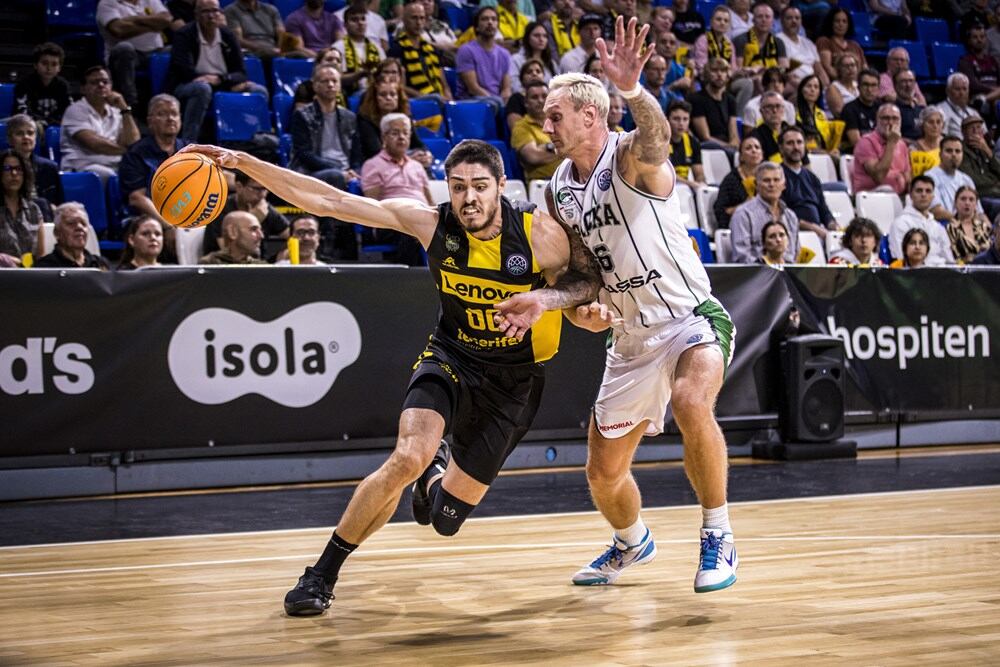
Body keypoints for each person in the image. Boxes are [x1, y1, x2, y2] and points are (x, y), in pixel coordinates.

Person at [180, 137, 601, 616]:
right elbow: (329, 200)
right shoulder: (431, 223)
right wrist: (243, 163)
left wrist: (545, 301)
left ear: (502, 187)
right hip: (452, 355)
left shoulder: (540, 235)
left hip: (515, 381)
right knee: (406, 457)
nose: (469, 198)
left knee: (443, 520)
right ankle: (321, 574)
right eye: (459, 186)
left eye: (480, 187)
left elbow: (585, 282)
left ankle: (435, 474)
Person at [502, 17, 740, 594]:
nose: (547, 123)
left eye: (555, 115)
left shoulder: (632, 155)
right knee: (604, 475)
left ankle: (719, 532)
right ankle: (633, 542)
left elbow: (657, 139)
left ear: (590, 115)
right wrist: (547, 300)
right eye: (544, 116)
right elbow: (585, 278)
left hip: (689, 319)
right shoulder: (559, 187)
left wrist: (632, 90)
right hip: (630, 339)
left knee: (690, 401)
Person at [168, 0, 270, 142]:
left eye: (215, 11)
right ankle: (188, 142)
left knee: (259, 91)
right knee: (202, 89)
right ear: (196, 15)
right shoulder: (184, 34)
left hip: (221, 83)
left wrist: (222, 80)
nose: (211, 15)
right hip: (187, 85)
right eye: (206, 11)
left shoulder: (228, 35)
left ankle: (255, 142)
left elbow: (241, 72)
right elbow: (184, 71)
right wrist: (224, 83)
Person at [360, 113, 433, 265]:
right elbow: (372, 206)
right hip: (389, 221)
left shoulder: (417, 166)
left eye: (405, 133)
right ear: (383, 137)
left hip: (420, 218)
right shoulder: (372, 165)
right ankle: (411, 280)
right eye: (395, 133)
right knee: (412, 230)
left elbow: (430, 201)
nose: (401, 137)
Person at [59, 65, 141, 184]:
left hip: (115, 165)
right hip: (83, 169)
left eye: (105, 82)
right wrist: (126, 151)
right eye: (94, 82)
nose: (101, 85)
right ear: (83, 89)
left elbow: (133, 142)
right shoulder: (75, 110)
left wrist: (124, 109)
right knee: (106, 175)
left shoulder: (116, 112)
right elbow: (95, 145)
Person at [118, 94, 188, 228]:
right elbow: (137, 198)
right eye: (162, 114)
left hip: (185, 215)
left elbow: (216, 175)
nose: (170, 119)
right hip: (148, 219)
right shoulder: (136, 153)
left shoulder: (189, 149)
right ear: (150, 121)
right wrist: (168, 225)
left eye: (174, 114)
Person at [289, 65, 364, 191]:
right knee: (335, 176)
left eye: (334, 81)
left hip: (345, 171)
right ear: (315, 86)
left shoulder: (349, 117)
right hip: (313, 172)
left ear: (339, 86)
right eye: (325, 81)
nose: (330, 85)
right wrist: (338, 169)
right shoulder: (303, 115)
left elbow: (356, 154)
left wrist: (355, 171)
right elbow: (304, 154)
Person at [97, 0, 172, 111]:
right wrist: (154, 25)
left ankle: (170, 102)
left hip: (156, 52)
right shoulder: (107, 3)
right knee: (124, 48)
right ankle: (129, 104)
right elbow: (119, 30)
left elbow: (166, 20)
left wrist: (135, 19)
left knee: (176, 50)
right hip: (128, 55)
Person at [730, 161, 800, 263]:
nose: (771, 184)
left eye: (776, 180)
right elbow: (742, 258)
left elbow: (796, 254)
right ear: (756, 185)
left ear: (784, 185)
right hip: (757, 275)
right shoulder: (743, 214)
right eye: (766, 180)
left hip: (788, 275)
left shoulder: (791, 216)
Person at [202, 172, 289, 254]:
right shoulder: (220, 209)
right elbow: (229, 251)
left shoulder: (264, 209)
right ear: (239, 186)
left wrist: (281, 255)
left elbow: (291, 233)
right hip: (222, 264)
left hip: (257, 264)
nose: (263, 195)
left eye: (265, 189)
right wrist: (252, 219)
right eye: (257, 189)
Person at [778, 126, 837, 239]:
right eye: (790, 143)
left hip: (818, 233)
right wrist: (813, 228)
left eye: (799, 142)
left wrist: (832, 225)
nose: (796, 147)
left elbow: (824, 210)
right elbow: (782, 215)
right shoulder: (777, 177)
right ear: (781, 148)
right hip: (792, 234)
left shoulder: (812, 178)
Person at [389, 1, 453, 101]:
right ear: (404, 21)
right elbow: (398, 85)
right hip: (415, 101)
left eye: (421, 18)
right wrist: (423, 97)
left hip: (438, 98)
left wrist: (448, 95)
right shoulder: (396, 49)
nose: (418, 23)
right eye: (414, 18)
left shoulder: (431, 49)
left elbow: (444, 84)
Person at [356, 79, 431, 164]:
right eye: (382, 95)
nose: (388, 98)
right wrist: (408, 159)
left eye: (393, 94)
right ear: (374, 98)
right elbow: (375, 151)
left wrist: (425, 153)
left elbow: (417, 143)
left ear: (398, 98)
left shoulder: (404, 117)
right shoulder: (365, 120)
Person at [455, 6, 512, 110]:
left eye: (494, 19)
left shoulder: (504, 54)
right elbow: (473, 88)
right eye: (485, 19)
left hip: (496, 101)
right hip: (472, 102)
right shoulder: (466, 50)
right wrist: (497, 101)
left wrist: (505, 99)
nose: (490, 22)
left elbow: (506, 89)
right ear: (476, 27)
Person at [889, 176, 954, 265]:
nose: (924, 195)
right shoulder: (900, 223)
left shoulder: (938, 227)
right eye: (919, 191)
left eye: (928, 191)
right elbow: (900, 258)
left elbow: (949, 260)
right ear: (911, 195)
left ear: (933, 196)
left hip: (942, 273)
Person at [852, 103, 910, 195]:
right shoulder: (866, 142)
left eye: (895, 119)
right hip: (872, 196)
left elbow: (907, 178)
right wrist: (891, 143)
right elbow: (879, 176)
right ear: (877, 120)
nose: (890, 123)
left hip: (898, 197)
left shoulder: (901, 144)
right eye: (885, 118)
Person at [5, 115, 61, 208]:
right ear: (10, 139)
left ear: (36, 138)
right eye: (19, 133)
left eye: (30, 133)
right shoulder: (2, 165)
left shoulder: (50, 167)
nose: (26, 137)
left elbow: (59, 203)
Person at [34, 202, 110, 270]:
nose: (80, 227)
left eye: (83, 224)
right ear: (57, 233)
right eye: (71, 223)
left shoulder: (101, 264)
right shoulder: (44, 268)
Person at [732, 3, 788, 95]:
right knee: (759, 80)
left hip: (773, 78)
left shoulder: (778, 42)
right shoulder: (741, 40)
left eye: (767, 17)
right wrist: (754, 70)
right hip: (750, 78)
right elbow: (739, 69)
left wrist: (770, 72)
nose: (764, 20)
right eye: (760, 17)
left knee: (796, 81)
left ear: (772, 21)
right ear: (753, 20)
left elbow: (784, 68)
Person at [0, 150, 43, 268]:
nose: (14, 173)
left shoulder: (34, 210)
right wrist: (6, 260)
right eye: (7, 168)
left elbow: (41, 256)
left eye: (18, 169)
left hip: (30, 277)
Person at [13, 42, 71, 130]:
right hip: (28, 126)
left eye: (54, 64)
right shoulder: (24, 83)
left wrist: (48, 122)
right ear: (35, 65)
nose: (49, 68)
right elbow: (20, 110)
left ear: (59, 68)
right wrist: (37, 122)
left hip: (55, 127)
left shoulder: (63, 85)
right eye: (44, 63)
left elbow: (68, 111)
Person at [511, 81, 561, 181]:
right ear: (526, 103)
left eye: (544, 96)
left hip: (570, 179)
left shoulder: (560, 121)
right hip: (542, 183)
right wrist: (564, 149)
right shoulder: (521, 127)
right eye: (534, 97)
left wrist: (547, 148)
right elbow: (533, 157)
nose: (540, 100)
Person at [335, 4, 387, 95]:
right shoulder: (338, 48)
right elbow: (336, 78)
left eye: (363, 19)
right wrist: (359, 75)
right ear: (345, 25)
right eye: (354, 20)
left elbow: (386, 71)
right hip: (350, 93)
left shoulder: (376, 47)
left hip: (377, 91)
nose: (360, 23)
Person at [926, 136, 980, 223]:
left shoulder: (967, 179)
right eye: (949, 151)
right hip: (944, 225)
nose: (954, 155)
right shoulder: (930, 177)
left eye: (957, 151)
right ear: (940, 155)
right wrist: (963, 221)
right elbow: (936, 211)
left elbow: (979, 212)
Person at [714, 135, 762, 230]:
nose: (754, 150)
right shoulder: (731, 180)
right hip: (737, 227)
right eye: (748, 148)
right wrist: (744, 207)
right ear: (741, 156)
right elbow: (720, 212)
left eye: (757, 147)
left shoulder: (767, 178)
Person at [690, 57, 739, 149]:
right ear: (707, 74)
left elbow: (734, 135)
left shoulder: (730, 100)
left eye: (723, 71)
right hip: (707, 147)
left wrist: (734, 145)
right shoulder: (697, 99)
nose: (719, 74)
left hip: (727, 146)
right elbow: (705, 137)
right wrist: (728, 147)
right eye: (714, 70)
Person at [959, 115, 1000, 219]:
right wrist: (994, 183)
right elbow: (973, 180)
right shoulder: (960, 151)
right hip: (982, 196)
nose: (975, 131)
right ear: (963, 132)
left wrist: (988, 152)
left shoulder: (985, 148)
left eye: (978, 127)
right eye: (971, 128)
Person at [775, 5, 826, 89]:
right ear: (782, 21)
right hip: (794, 85)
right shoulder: (777, 40)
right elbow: (784, 71)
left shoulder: (809, 43)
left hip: (814, 85)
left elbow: (820, 71)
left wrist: (826, 87)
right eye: (789, 18)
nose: (794, 21)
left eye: (797, 18)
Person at [224, 0, 292, 59]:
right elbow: (237, 39)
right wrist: (264, 48)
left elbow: (282, 34)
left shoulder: (271, 9)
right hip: (251, 51)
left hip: (273, 49)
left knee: (299, 55)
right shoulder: (231, 11)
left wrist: (280, 49)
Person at [815, 8, 867, 83]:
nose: (841, 24)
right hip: (836, 84)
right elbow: (827, 68)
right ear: (831, 23)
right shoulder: (824, 41)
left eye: (844, 21)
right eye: (837, 21)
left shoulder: (855, 45)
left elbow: (865, 68)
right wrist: (847, 83)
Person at [199, 211, 270, 264]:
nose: (261, 236)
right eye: (253, 229)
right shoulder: (209, 265)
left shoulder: (262, 268)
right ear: (232, 232)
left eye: (261, 230)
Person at [958, 24, 1000, 112]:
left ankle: (984, 99)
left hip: (994, 94)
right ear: (969, 41)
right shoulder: (965, 61)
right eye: (975, 37)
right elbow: (973, 84)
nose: (979, 40)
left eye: (982, 37)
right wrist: (993, 89)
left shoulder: (992, 60)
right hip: (977, 95)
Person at [947, 186, 993, 263]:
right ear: (955, 203)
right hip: (962, 271)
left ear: (976, 204)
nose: (967, 203)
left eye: (971, 199)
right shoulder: (950, 228)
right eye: (963, 199)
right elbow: (952, 258)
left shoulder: (984, 227)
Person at [667, 99, 705, 190]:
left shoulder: (693, 142)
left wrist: (701, 183)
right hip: (665, 187)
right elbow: (667, 174)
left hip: (684, 189)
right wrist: (691, 184)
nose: (681, 123)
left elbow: (699, 174)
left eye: (685, 119)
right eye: (676, 119)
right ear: (667, 120)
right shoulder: (660, 141)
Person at [795, 74, 836, 156]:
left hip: (824, 152)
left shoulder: (822, 114)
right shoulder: (795, 113)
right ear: (801, 90)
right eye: (809, 86)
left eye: (816, 87)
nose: (812, 90)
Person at [840, 68, 880, 152]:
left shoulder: (882, 108)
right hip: (856, 155)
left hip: (879, 153)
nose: (869, 89)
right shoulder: (849, 109)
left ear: (878, 88)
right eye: (865, 85)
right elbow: (857, 143)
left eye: (873, 85)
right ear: (858, 87)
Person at [936, 73, 981, 138]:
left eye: (964, 89)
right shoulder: (939, 111)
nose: (962, 93)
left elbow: (984, 135)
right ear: (948, 91)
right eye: (957, 89)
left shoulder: (973, 113)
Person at [750, 91, 788, 162]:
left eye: (778, 106)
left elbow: (806, 164)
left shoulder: (794, 133)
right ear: (761, 111)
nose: (774, 110)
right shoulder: (754, 138)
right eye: (769, 107)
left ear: (783, 110)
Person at [910, 106, 945, 177]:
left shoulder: (948, 144)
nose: (935, 126)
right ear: (922, 125)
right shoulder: (914, 149)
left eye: (938, 122)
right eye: (930, 122)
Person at [825, 53, 860, 118]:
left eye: (852, 65)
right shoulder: (833, 88)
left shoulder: (858, 85)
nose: (850, 68)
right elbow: (840, 113)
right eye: (846, 66)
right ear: (839, 69)